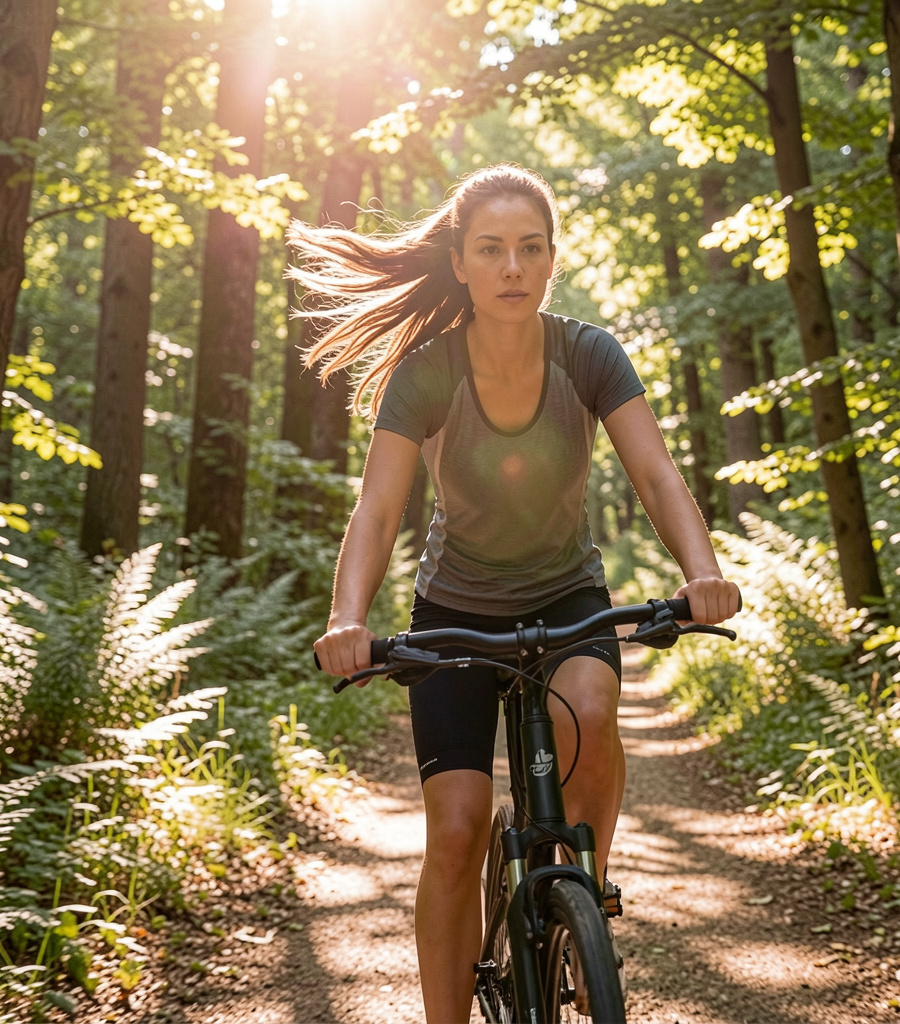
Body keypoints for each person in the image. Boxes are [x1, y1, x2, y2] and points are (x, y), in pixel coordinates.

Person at [290, 163, 740, 1023]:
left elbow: (654, 472)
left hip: (568, 597)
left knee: (594, 709)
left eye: (530, 249)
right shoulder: (425, 373)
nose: (511, 267)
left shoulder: (589, 354)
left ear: (551, 260)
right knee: (456, 833)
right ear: (458, 261)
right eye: (491, 249)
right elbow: (379, 510)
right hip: (452, 615)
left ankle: (582, 888)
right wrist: (348, 619)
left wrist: (701, 572)